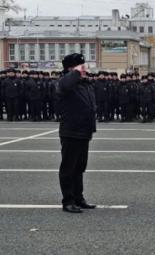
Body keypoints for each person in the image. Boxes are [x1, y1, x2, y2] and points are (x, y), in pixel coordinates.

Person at [57, 53, 97, 213]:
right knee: (68, 168)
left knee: (80, 167)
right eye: (80, 67)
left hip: (84, 131)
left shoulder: (84, 84)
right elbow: (65, 85)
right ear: (70, 69)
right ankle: (68, 201)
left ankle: (79, 198)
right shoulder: (65, 82)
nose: (84, 69)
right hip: (71, 131)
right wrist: (75, 73)